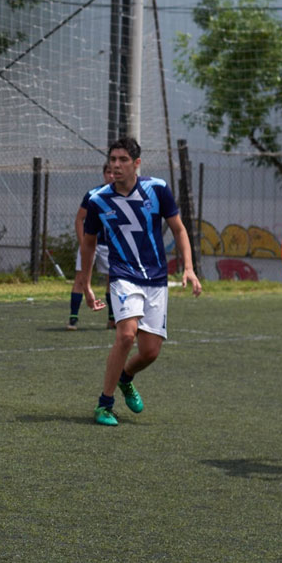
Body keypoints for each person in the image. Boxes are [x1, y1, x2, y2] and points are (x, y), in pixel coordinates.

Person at [78, 137, 202, 426]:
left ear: (136, 163)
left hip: (156, 279)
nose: (116, 165)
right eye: (113, 159)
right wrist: (86, 283)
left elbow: (179, 229)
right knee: (126, 335)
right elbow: (88, 243)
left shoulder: (157, 189)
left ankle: (126, 377)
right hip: (123, 276)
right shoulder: (97, 200)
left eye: (123, 160)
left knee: (150, 352)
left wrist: (189, 267)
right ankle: (104, 404)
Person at [68, 162, 117, 330]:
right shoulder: (93, 195)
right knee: (80, 278)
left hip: (110, 246)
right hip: (91, 244)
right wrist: (83, 243)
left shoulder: (123, 196)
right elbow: (79, 219)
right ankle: (73, 318)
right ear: (104, 174)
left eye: (114, 172)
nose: (111, 176)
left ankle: (112, 319)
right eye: (108, 172)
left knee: (112, 280)